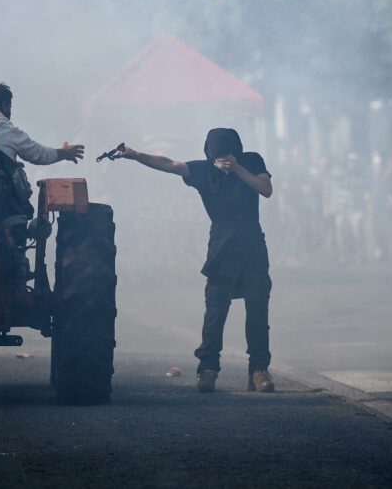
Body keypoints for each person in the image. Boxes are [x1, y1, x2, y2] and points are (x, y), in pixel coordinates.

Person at [113, 128, 275, 393]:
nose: (224, 160)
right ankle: (208, 369)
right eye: (219, 156)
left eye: (229, 155)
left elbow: (265, 189)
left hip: (253, 246)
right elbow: (169, 164)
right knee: (215, 312)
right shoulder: (203, 170)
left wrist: (237, 169)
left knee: (257, 310)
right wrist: (134, 155)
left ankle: (258, 370)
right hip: (222, 249)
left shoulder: (252, 161)